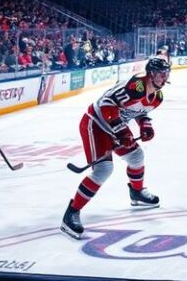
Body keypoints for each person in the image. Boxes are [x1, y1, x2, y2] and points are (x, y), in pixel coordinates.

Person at [61, 56, 170, 239]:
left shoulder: (157, 97)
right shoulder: (136, 86)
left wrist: (145, 125)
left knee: (136, 157)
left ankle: (136, 192)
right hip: (95, 124)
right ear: (150, 74)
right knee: (103, 169)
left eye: (166, 74)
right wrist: (122, 133)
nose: (163, 78)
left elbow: (139, 112)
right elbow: (106, 104)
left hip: (115, 126)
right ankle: (71, 213)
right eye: (160, 74)